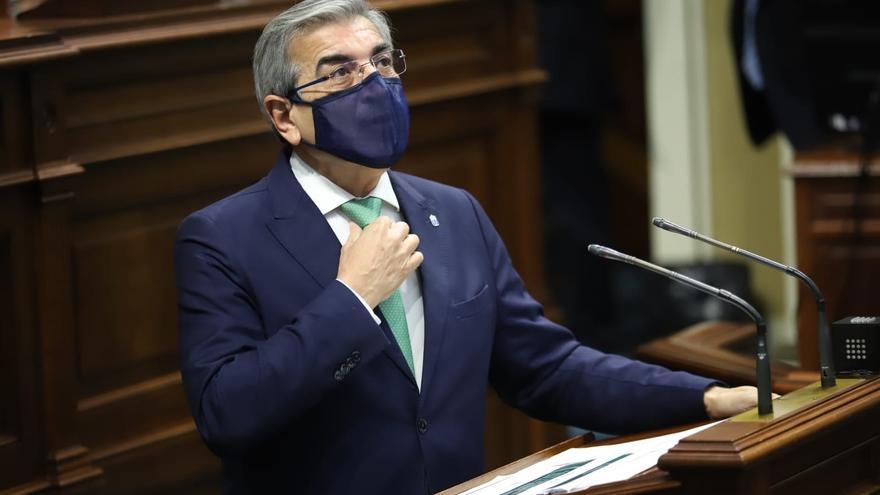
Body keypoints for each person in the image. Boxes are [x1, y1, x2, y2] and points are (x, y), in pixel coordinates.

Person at [174, 1, 764, 493]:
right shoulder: (223, 237)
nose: (374, 84)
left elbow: (545, 367)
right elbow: (227, 414)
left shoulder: (452, 211)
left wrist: (706, 397)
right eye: (341, 71)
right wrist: (352, 299)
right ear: (283, 115)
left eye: (382, 62)